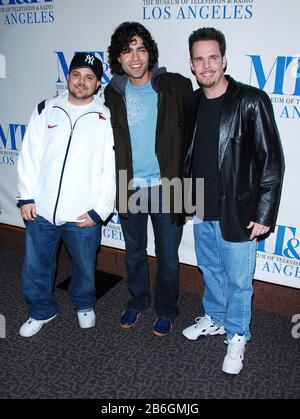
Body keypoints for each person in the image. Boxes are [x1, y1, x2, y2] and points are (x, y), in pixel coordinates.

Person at [182, 28, 284, 374]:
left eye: (213, 57)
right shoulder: (193, 102)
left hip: (238, 212)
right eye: (199, 59)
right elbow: (189, 156)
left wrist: (265, 211)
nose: (207, 65)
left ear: (224, 60)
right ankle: (215, 318)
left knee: (239, 281)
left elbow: (272, 159)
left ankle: (238, 333)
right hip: (200, 208)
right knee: (210, 270)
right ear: (192, 65)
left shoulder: (251, 100)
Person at [17, 52, 116, 337]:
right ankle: (40, 310)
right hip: (42, 209)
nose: (82, 82)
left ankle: (84, 304)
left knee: (85, 266)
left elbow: (110, 168)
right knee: (36, 266)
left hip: (82, 213)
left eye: (89, 77)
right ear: (68, 76)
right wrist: (26, 196)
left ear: (98, 84)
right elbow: (29, 154)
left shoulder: (106, 117)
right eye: (77, 74)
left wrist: (100, 210)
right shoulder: (45, 109)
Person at [104, 22, 193, 336]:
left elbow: (195, 133)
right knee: (134, 252)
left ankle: (167, 309)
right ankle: (138, 300)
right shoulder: (111, 93)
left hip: (173, 186)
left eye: (141, 48)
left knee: (169, 255)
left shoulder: (177, 85)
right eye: (127, 50)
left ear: (150, 53)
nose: (135, 57)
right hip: (130, 186)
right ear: (118, 57)